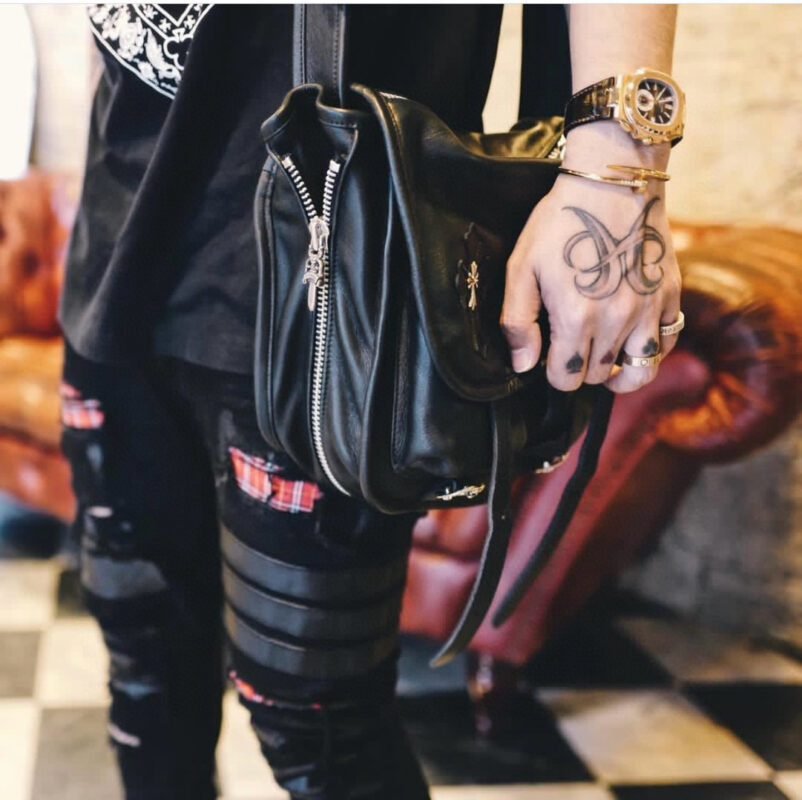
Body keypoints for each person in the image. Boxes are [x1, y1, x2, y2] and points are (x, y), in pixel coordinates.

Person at [59, 4, 684, 799]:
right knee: (143, 662)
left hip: (333, 269)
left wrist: (618, 175)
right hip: (115, 246)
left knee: (318, 728)